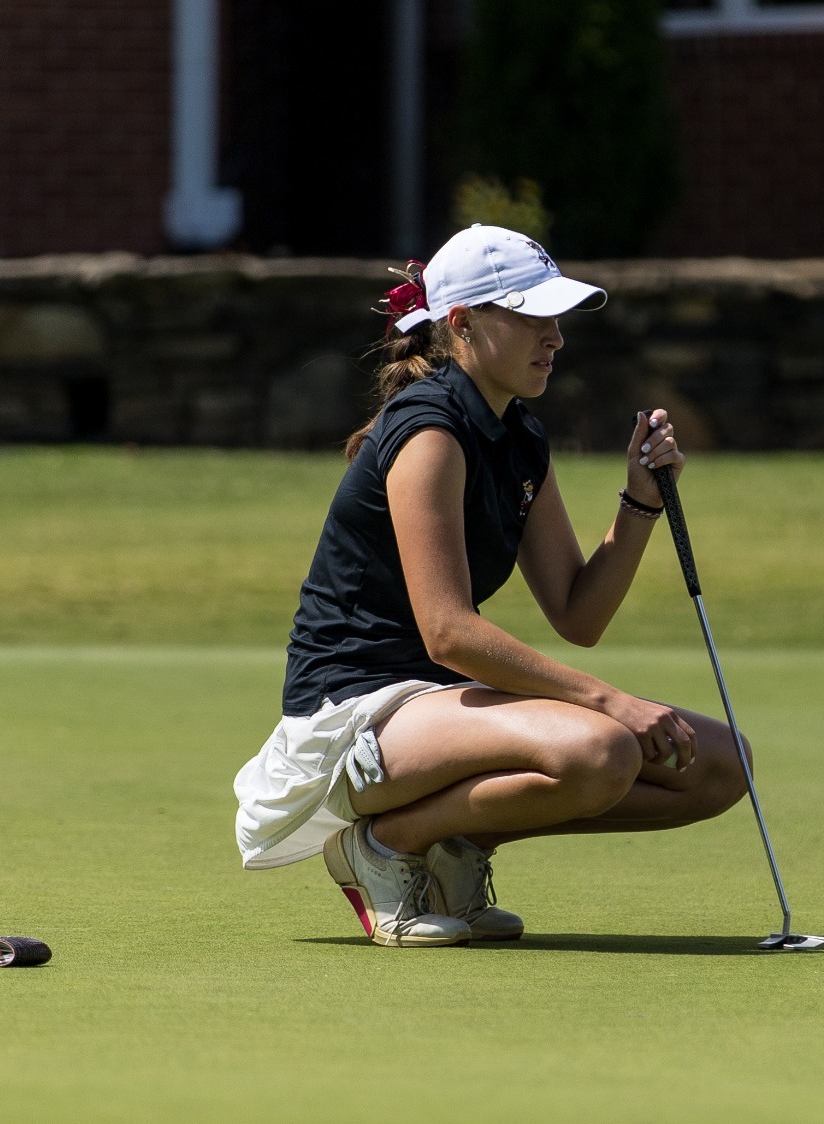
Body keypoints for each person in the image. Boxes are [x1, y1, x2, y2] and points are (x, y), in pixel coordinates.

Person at [233, 225, 751, 947]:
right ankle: (385, 845)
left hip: (438, 710)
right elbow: (449, 632)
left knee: (722, 768)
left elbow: (578, 612)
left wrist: (640, 503)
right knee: (601, 749)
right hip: (353, 713)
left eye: (556, 317)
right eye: (531, 317)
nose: (555, 338)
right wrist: (610, 701)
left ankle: (456, 847)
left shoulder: (519, 437)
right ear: (463, 325)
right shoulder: (430, 435)